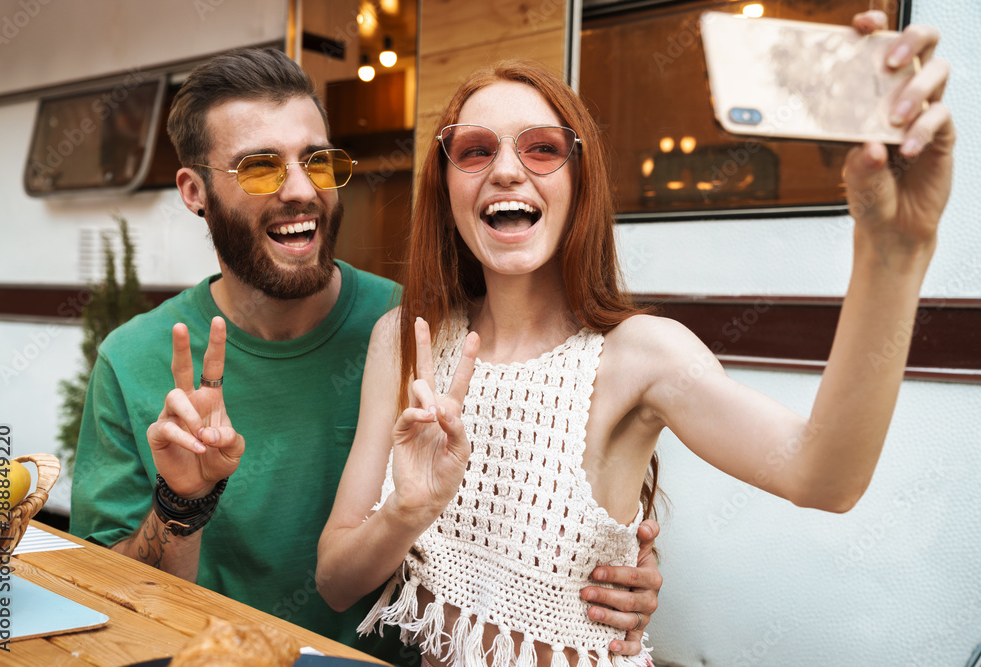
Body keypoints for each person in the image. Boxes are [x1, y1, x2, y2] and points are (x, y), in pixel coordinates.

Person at [313, 10, 954, 667]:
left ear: (580, 182)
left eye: (540, 148)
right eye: (476, 150)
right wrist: (407, 510)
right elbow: (336, 580)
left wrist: (894, 250)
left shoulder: (641, 354)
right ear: (444, 185)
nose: (505, 169)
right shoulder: (404, 341)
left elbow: (824, 477)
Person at [69, 48, 663, 666]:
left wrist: (613, 572)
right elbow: (108, 602)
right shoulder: (131, 360)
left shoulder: (420, 336)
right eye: (260, 167)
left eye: (316, 161)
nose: (300, 190)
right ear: (195, 191)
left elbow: (528, 503)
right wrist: (181, 506)